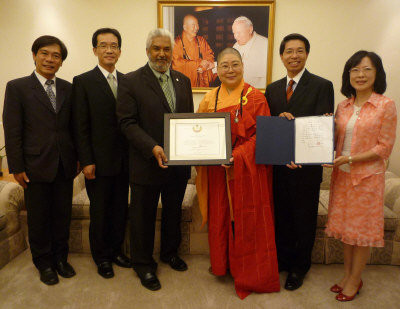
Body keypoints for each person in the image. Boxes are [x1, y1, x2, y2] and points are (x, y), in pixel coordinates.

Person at [196, 47, 280, 299]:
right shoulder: (209, 99)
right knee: (221, 216)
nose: (230, 70)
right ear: (217, 69)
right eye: (224, 65)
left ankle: (247, 269)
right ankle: (223, 264)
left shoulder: (256, 98)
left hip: (247, 171)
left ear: (243, 66)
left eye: (235, 64)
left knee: (245, 218)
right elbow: (198, 133)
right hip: (217, 173)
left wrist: (237, 156)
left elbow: (261, 137)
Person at [117, 28, 194, 291]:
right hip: (146, 162)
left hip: (178, 166)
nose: (162, 54)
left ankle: (169, 253)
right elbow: (126, 123)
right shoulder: (130, 81)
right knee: (142, 217)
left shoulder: (184, 80)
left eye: (166, 49)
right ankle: (143, 265)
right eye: (156, 49)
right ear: (147, 51)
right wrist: (152, 147)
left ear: (172, 52)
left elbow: (188, 123)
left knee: (173, 212)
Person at [3, 36, 77, 285]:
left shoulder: (68, 88)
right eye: (45, 53)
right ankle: (43, 263)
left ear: (61, 61)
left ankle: (60, 259)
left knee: (61, 215)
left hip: (65, 164)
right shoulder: (17, 87)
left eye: (56, 56)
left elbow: (74, 128)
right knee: (38, 217)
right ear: (34, 55)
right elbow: (12, 130)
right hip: (34, 165)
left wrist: (77, 159)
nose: (50, 59)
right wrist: (17, 166)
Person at [325, 51, 397, 301]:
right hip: (341, 177)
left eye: (367, 69)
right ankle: (347, 275)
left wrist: (351, 159)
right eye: (355, 70)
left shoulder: (385, 105)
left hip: (367, 179)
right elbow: (334, 140)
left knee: (361, 234)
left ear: (377, 73)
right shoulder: (343, 106)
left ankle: (355, 280)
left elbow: (384, 147)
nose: (361, 75)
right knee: (347, 232)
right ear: (348, 75)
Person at [264, 33, 334, 290]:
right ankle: (282, 259)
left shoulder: (322, 85)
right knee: (281, 217)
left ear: (306, 54)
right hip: (280, 168)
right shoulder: (272, 89)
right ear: (281, 56)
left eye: (300, 51)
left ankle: (299, 267)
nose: (294, 55)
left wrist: (303, 157)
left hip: (307, 170)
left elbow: (322, 128)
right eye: (289, 51)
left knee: (304, 219)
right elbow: (271, 128)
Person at [71, 28, 131, 279]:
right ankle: (102, 257)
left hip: (126, 161)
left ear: (120, 50)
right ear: (94, 50)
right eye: (103, 45)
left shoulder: (128, 81)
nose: (109, 50)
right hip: (98, 162)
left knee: (120, 210)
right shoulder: (83, 81)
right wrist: (86, 161)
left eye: (114, 45)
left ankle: (117, 250)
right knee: (100, 211)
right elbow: (80, 125)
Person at [172, 14, 215, 87]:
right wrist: (198, 63)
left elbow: (209, 56)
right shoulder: (176, 43)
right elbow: (177, 64)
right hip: (185, 84)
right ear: (185, 27)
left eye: (197, 25)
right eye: (193, 25)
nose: (196, 28)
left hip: (201, 82)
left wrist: (203, 66)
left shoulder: (201, 40)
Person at [232, 16, 268, 88]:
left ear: (250, 29)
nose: (236, 37)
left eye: (239, 33)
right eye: (234, 33)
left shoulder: (266, 44)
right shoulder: (236, 46)